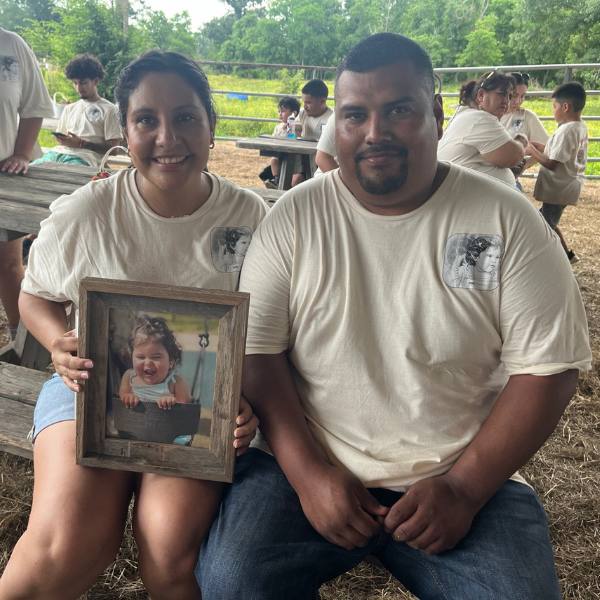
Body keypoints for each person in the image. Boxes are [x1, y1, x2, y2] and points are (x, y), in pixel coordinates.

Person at [198, 33, 591, 599]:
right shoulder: (294, 217)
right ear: (339, 125)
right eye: (355, 114)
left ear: (435, 113)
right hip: (305, 464)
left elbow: (549, 370)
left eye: (399, 110)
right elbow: (259, 353)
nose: (375, 132)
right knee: (232, 583)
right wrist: (309, 476)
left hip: (461, 471)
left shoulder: (509, 220)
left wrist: (463, 487)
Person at [0, 50, 266, 600]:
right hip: (87, 389)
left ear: (212, 126)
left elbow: (268, 327)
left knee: (169, 545)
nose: (168, 137)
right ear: (125, 129)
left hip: (194, 409)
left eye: (186, 117)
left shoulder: (253, 217)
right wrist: (57, 344)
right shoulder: (86, 213)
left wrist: (241, 397)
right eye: (147, 119)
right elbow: (34, 298)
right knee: (66, 543)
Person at [0, 28, 53, 339]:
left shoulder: (12, 44)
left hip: (3, 177)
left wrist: (22, 153)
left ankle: (21, 342)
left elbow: (34, 106)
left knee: (7, 264)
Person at [527, 82, 588, 264]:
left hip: (559, 187)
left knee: (544, 225)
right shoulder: (579, 126)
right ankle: (568, 255)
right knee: (547, 220)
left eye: (554, 107)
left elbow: (553, 163)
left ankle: (558, 260)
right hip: (566, 185)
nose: (553, 111)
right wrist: (542, 147)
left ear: (565, 107)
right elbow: (562, 154)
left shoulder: (567, 130)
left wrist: (532, 151)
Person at [438, 70, 526, 187]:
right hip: (463, 197)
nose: (506, 101)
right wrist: (521, 141)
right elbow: (513, 157)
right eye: (502, 94)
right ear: (481, 95)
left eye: (509, 96)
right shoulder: (480, 118)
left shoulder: (466, 115)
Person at [33, 53, 122, 167]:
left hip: (84, 159)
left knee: (65, 175)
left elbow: (114, 150)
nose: (79, 88)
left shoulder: (110, 110)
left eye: (83, 83)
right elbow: (62, 139)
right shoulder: (69, 109)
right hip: (57, 153)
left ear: (96, 81)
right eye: (75, 83)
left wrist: (82, 144)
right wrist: (63, 140)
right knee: (31, 168)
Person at [119, 315, 191, 409]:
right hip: (135, 422)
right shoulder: (129, 377)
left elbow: (186, 408)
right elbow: (122, 396)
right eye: (141, 357)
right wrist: (128, 397)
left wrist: (172, 402)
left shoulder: (176, 383)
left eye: (156, 357)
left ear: (171, 361)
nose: (148, 363)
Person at [291, 78, 333, 186]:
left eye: (308, 102)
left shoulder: (331, 118)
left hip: (318, 162)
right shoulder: (302, 114)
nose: (305, 106)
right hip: (301, 158)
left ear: (322, 101)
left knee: (297, 180)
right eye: (304, 102)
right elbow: (294, 134)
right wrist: (295, 129)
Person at [258, 95, 300, 188]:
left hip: (296, 160)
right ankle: (276, 180)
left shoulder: (298, 126)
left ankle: (279, 183)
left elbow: (295, 138)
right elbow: (273, 140)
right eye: (279, 111)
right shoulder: (278, 127)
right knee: (274, 159)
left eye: (283, 111)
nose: (280, 114)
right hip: (280, 157)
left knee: (295, 180)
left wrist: (291, 127)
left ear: (294, 113)